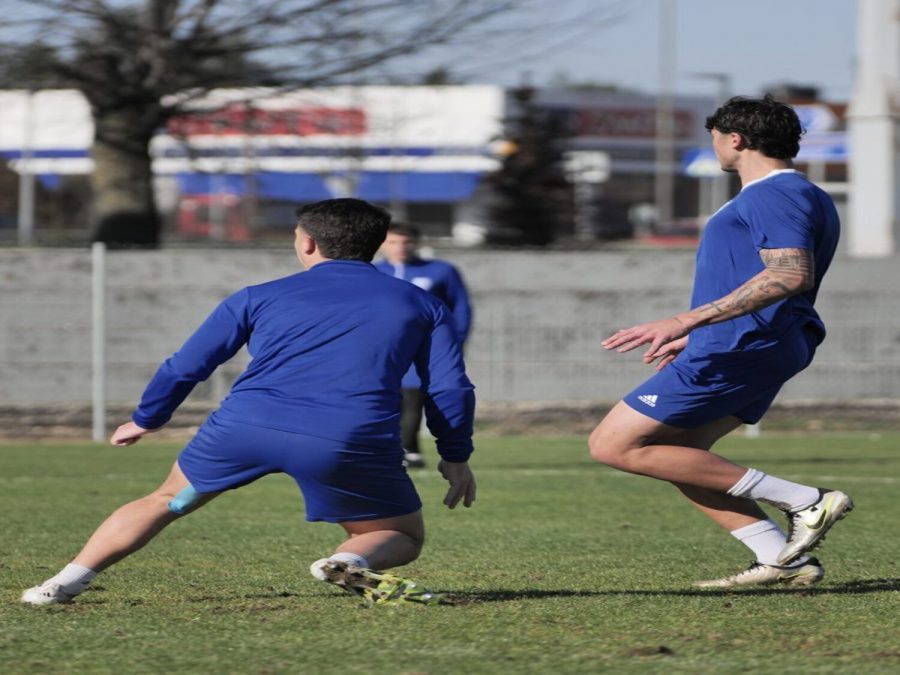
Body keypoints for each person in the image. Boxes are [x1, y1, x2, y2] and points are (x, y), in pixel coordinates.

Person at [22, 198, 476, 607]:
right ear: (376, 245)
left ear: (308, 243)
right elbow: (450, 388)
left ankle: (60, 584)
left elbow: (186, 366)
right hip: (346, 438)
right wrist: (454, 455)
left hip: (244, 429)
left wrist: (147, 418)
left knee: (167, 500)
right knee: (399, 532)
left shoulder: (258, 296)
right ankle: (346, 561)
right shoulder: (422, 304)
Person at [589, 95, 852, 588]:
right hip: (750, 342)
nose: (714, 147)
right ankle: (781, 560)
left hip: (743, 345)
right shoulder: (802, 193)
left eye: (714, 138)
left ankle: (806, 501)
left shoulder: (773, 194)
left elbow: (790, 273)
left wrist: (686, 321)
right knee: (679, 455)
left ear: (736, 139)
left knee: (612, 444)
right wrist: (699, 334)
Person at [374, 222, 473, 468]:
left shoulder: (441, 271)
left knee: (413, 396)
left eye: (406, 242)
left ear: (416, 243)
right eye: (393, 242)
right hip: (381, 350)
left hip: (423, 348)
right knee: (384, 397)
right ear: (382, 244)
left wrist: (456, 341)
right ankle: (397, 448)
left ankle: (409, 448)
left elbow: (460, 307)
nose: (400, 247)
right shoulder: (372, 272)